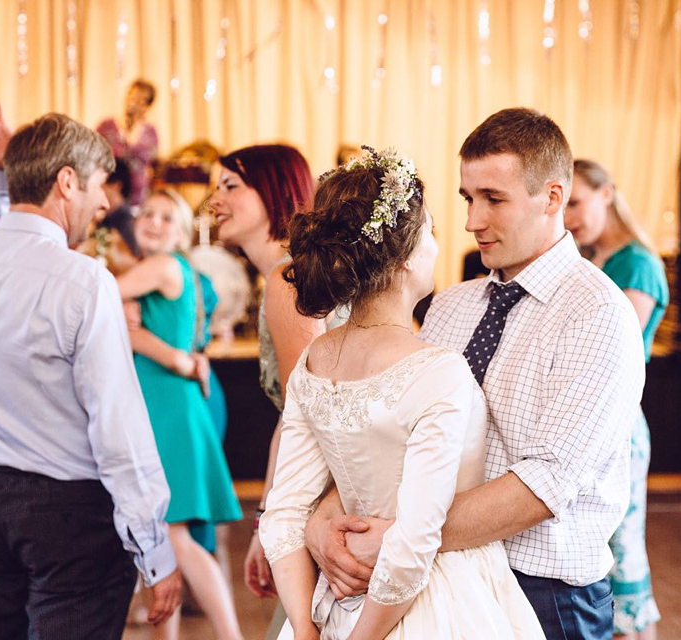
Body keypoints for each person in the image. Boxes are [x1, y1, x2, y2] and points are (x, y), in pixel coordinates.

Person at [304, 108, 646, 640]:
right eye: (467, 198)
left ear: (553, 197)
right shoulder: (450, 306)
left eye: (494, 199)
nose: (471, 221)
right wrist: (325, 521)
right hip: (442, 583)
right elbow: (391, 439)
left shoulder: (597, 312)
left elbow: (545, 484)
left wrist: (402, 538)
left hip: (545, 594)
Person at [259, 148, 544, 639]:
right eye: (431, 231)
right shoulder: (439, 371)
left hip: (342, 597)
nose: (438, 243)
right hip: (442, 600)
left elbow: (282, 514)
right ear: (407, 258)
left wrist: (306, 632)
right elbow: (413, 543)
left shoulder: (314, 362)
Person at [0, 104, 181, 639]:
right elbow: (116, 425)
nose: (105, 201)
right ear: (66, 182)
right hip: (69, 515)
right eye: (97, 184)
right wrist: (153, 547)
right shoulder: (84, 281)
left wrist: (0, 169)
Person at [206, 144, 326, 639]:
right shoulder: (285, 274)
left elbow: (310, 414)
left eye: (230, 186)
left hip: (324, 494)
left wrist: (275, 525)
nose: (214, 201)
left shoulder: (290, 279)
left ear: (276, 191)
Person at [115, 188, 243, 640]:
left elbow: (93, 293)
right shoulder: (150, 271)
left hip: (171, 411)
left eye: (167, 217)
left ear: (183, 233)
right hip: (163, 409)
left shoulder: (164, 266)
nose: (153, 221)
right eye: (147, 212)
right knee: (162, 540)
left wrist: (130, 328)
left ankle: (232, 635)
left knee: (175, 538)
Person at [566, 159, 669, 640]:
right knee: (592, 553)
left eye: (575, 202)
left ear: (606, 194)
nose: (567, 216)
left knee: (624, 551)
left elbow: (608, 353)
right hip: (587, 421)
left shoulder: (640, 264)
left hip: (621, 424)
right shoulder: (589, 261)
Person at [97, 79, 160, 205]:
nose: (134, 103)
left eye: (140, 99)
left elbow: (154, 165)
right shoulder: (107, 126)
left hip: (139, 196)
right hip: (110, 194)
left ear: (148, 105)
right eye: (132, 96)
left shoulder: (151, 133)